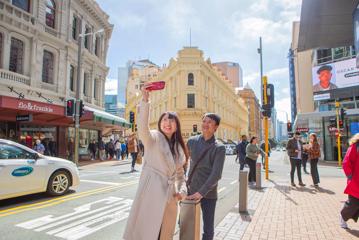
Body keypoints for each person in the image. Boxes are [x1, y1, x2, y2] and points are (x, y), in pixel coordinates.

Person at [123, 87, 188, 240]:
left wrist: (182, 191)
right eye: (164, 119)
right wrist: (145, 102)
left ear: (177, 125)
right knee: (146, 233)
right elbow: (143, 129)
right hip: (151, 195)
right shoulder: (153, 138)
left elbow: (180, 176)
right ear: (159, 123)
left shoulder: (179, 148)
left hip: (170, 198)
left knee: (164, 234)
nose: (168, 123)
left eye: (172, 120)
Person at [186, 112, 226, 240]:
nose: (205, 124)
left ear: (216, 127)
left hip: (208, 193)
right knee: (185, 224)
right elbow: (182, 162)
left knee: (208, 229)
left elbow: (216, 174)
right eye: (204, 121)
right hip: (190, 190)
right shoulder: (192, 141)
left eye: (210, 122)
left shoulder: (219, 147)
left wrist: (201, 192)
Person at [340, 133, 359, 229]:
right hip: (356, 182)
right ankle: (343, 216)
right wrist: (350, 176)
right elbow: (346, 162)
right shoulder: (355, 146)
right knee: (353, 204)